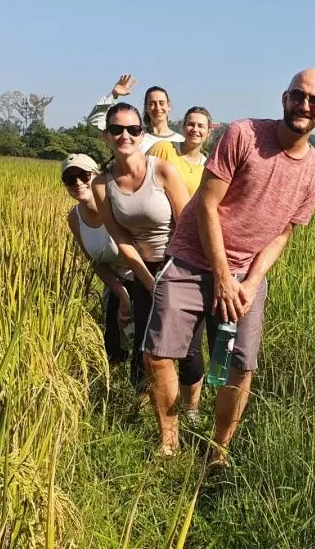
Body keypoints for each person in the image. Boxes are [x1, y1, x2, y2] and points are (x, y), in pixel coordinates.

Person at [142, 68, 315, 461]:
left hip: (247, 274)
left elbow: (283, 233)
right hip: (192, 258)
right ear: (284, 98)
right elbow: (208, 204)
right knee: (159, 353)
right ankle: (169, 440)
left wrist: (249, 281)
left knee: (241, 367)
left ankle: (218, 449)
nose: (304, 105)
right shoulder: (244, 134)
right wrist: (223, 278)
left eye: (314, 101)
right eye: (298, 96)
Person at [90, 103, 203, 423]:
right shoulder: (102, 184)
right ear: (107, 136)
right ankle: (154, 419)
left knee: (187, 348)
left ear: (142, 134)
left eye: (133, 129)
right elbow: (120, 238)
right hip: (141, 269)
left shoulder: (162, 170)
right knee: (147, 347)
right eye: (116, 130)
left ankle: (191, 410)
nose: (124, 135)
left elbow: (186, 227)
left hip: (180, 265)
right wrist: (148, 281)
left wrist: (168, 279)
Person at [60, 153, 135, 364]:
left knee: (146, 352)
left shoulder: (118, 206)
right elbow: (96, 263)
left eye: (84, 176)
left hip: (143, 277)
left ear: (97, 176)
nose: (77, 183)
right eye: (69, 179)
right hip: (115, 283)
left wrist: (132, 295)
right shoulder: (74, 218)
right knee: (114, 350)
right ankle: (115, 389)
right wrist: (121, 294)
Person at [88, 74, 184, 154]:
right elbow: (94, 120)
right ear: (146, 108)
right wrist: (114, 95)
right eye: (152, 103)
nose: (158, 108)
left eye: (161, 103)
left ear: (169, 106)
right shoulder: (134, 135)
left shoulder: (181, 141)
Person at [147, 106, 211, 195]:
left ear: (208, 132)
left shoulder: (207, 168)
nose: (195, 129)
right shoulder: (163, 148)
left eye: (200, 126)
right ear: (183, 127)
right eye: (191, 124)